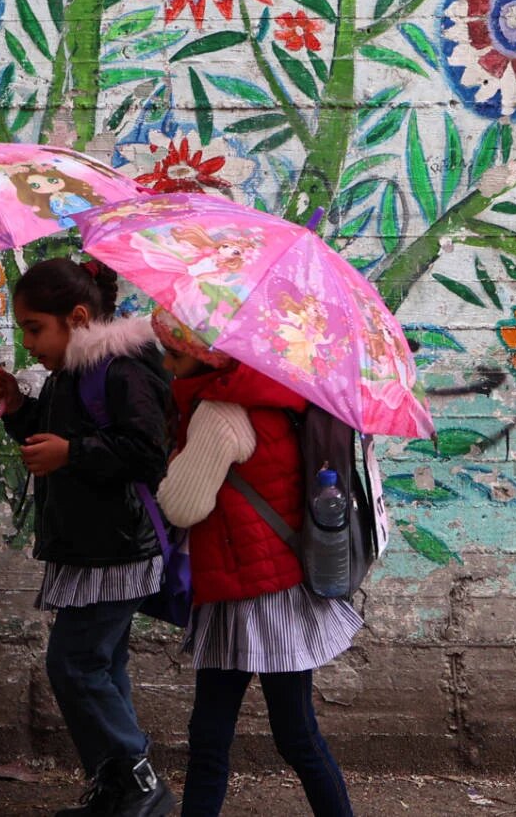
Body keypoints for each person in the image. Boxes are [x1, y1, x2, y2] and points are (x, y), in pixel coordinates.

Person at [0, 258, 177, 817]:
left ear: (76, 316)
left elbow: (148, 452)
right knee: (101, 665)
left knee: (74, 665)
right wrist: (18, 407)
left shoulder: (123, 370)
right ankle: (118, 790)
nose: (27, 343)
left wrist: (73, 453)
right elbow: (51, 435)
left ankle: (137, 782)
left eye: (33, 327)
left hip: (117, 546)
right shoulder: (72, 371)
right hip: (93, 543)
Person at [151, 309, 360, 817]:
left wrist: (168, 469)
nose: (164, 362)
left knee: (232, 741)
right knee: (283, 736)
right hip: (268, 585)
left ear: (201, 358)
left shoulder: (220, 413)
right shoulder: (271, 393)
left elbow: (182, 506)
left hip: (253, 596)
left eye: (172, 353)